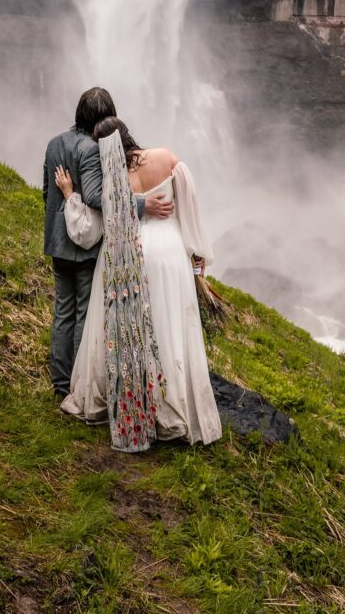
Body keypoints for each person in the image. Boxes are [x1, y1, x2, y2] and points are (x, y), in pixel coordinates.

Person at [54, 117, 222, 451]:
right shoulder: (165, 157)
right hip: (170, 253)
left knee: (135, 332)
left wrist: (70, 194)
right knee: (168, 327)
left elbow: (92, 230)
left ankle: (132, 400)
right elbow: (189, 206)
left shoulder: (112, 183)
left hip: (130, 254)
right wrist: (197, 250)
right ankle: (173, 403)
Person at [43, 89, 174, 401]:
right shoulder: (91, 148)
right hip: (83, 245)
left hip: (58, 241)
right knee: (84, 314)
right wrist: (143, 206)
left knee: (63, 310)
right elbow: (96, 198)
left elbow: (47, 190)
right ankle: (76, 386)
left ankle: (60, 383)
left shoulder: (54, 143)